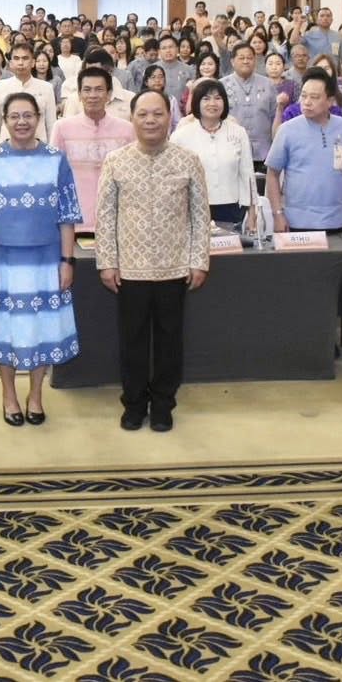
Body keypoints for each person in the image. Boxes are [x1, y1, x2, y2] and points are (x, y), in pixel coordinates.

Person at [97, 88, 210, 433]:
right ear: (132, 119)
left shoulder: (188, 160)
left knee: (169, 341)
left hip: (174, 268)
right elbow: (105, 215)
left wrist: (199, 260)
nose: (150, 120)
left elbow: (200, 214)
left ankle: (162, 404)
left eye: (157, 114)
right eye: (143, 114)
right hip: (129, 269)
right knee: (131, 341)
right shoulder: (116, 161)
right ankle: (133, 404)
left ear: (169, 117)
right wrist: (106, 261)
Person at [0, 93, 82, 427]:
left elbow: (67, 216)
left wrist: (67, 261)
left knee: (40, 328)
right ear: (4, 119)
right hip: (2, 262)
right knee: (7, 328)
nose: (21, 122)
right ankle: (9, 395)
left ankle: (35, 395)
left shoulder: (56, 159)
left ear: (39, 117)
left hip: (46, 261)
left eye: (28, 115)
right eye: (14, 116)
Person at [265, 70, 342, 233]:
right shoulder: (287, 130)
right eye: (304, 96)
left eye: (314, 97)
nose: (307, 102)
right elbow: (272, 173)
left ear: (330, 101)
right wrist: (278, 214)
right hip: (297, 221)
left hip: (338, 220)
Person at [50, 67, 134, 233]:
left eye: (99, 89)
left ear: (109, 94)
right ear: (79, 95)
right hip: (74, 223)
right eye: (87, 90)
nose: (93, 95)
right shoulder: (62, 128)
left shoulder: (127, 130)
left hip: (116, 223)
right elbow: (53, 175)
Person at [170, 80, 255, 226]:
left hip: (231, 210)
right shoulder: (181, 136)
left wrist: (253, 211)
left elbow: (247, 173)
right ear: (197, 102)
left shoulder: (238, 132)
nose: (212, 103)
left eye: (217, 98)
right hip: (193, 210)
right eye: (206, 99)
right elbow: (172, 178)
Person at [221, 43, 276, 188]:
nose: (246, 61)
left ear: (255, 61)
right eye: (241, 58)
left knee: (261, 196)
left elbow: (274, 116)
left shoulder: (268, 84)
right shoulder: (222, 85)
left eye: (250, 58)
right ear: (232, 61)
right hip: (231, 150)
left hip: (263, 152)